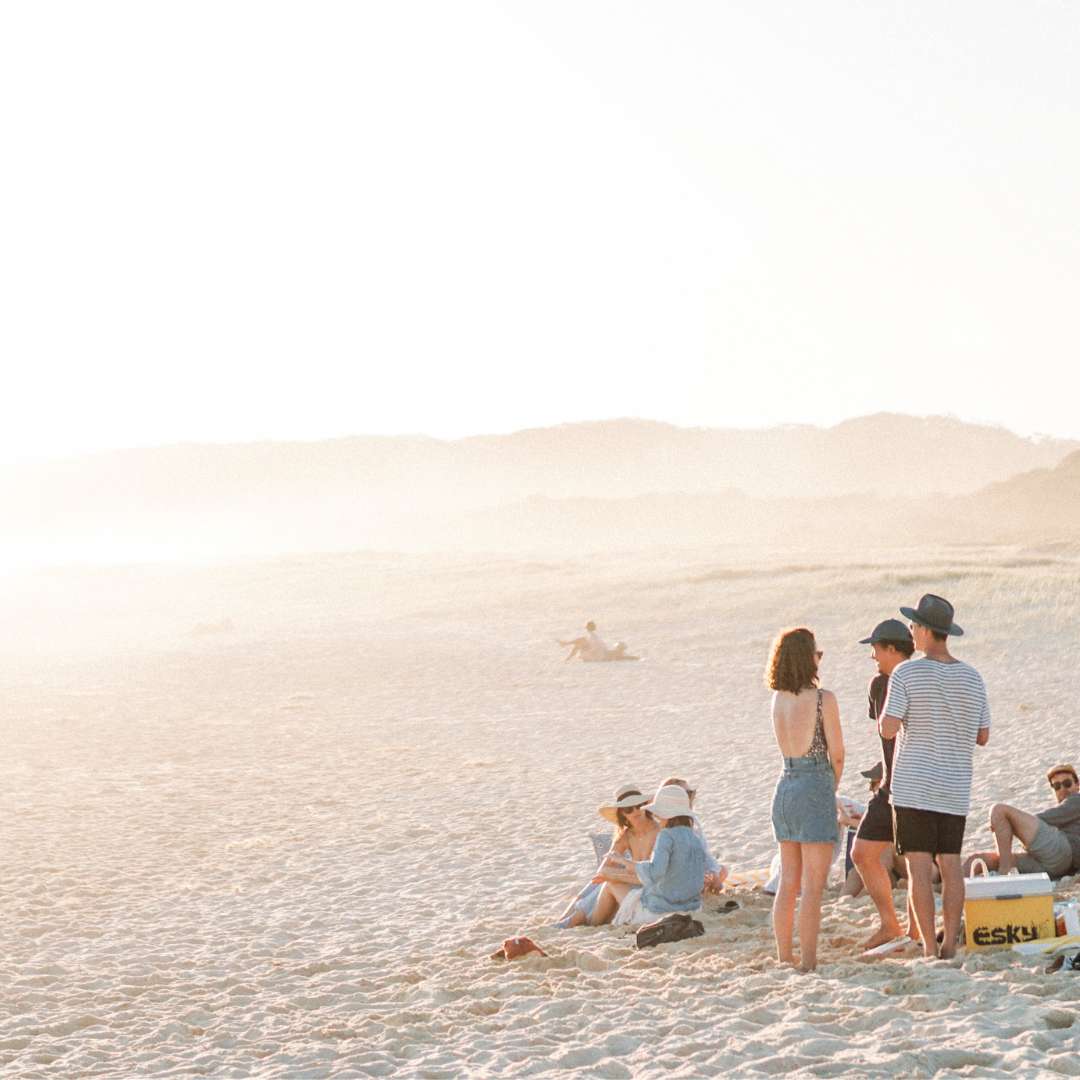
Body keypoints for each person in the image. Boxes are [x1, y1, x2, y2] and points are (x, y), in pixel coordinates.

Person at [880, 594, 990, 960]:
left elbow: (889, 729)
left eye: (914, 626)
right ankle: (949, 944)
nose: (910, 631)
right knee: (951, 865)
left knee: (918, 870)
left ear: (926, 631)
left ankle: (928, 945)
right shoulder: (973, 677)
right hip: (954, 786)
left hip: (914, 786)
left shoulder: (906, 672)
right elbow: (983, 736)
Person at [766, 627, 845, 972]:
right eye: (817, 653)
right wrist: (832, 786)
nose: (819, 658)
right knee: (814, 886)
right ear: (806, 657)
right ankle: (809, 961)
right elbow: (837, 754)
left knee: (788, 881)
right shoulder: (822, 699)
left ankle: (785, 956)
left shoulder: (778, 699)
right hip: (814, 782)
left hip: (785, 783)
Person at [850, 619, 917, 951]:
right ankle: (890, 924)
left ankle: (916, 932)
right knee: (862, 853)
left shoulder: (922, 679)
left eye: (875, 648)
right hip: (890, 786)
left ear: (891, 648)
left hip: (917, 786)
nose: (873, 655)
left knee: (917, 863)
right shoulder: (879, 685)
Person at [592, 783, 706, 926]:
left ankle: (592, 926)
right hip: (693, 908)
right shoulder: (693, 837)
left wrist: (624, 863)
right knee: (605, 890)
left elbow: (655, 872)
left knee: (610, 886)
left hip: (661, 911)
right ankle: (592, 923)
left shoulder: (666, 836)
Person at [965, 764, 1080, 878]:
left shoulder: (1076, 800)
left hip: (1061, 852)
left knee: (998, 810)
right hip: (1054, 867)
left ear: (1077, 785)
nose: (1063, 789)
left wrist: (1009, 824)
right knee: (978, 859)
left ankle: (1004, 872)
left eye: (1067, 783)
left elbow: (1045, 818)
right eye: (1057, 786)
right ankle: (954, 888)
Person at [580, 784, 660, 926]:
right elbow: (603, 869)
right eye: (629, 809)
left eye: (639, 805)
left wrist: (615, 874)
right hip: (635, 884)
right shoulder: (626, 836)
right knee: (602, 883)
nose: (636, 811)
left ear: (645, 806)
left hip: (653, 888)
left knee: (607, 884)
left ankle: (589, 925)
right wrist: (616, 873)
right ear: (622, 813)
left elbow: (655, 875)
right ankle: (580, 922)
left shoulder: (659, 831)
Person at [661, 776, 729, 891]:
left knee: (722, 870)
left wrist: (714, 873)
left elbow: (704, 853)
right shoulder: (662, 821)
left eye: (691, 793)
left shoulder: (691, 820)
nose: (690, 798)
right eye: (686, 794)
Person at [558, 621, 638, 662]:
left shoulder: (592, 637)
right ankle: (566, 647)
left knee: (580, 642)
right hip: (598, 654)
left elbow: (625, 657)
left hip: (595, 655)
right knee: (580, 642)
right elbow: (626, 657)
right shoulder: (594, 637)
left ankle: (566, 649)